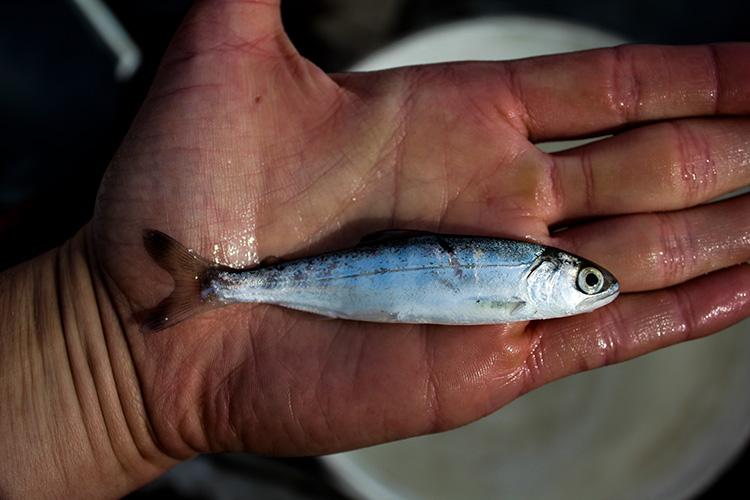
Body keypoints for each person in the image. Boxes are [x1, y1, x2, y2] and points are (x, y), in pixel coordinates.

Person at [1, 1, 749, 497]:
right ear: (549, 273)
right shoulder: (519, 282)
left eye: (586, 282)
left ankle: (218, 286)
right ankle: (219, 285)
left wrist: (100, 357)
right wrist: (104, 352)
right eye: (586, 280)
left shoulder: (520, 283)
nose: (594, 287)